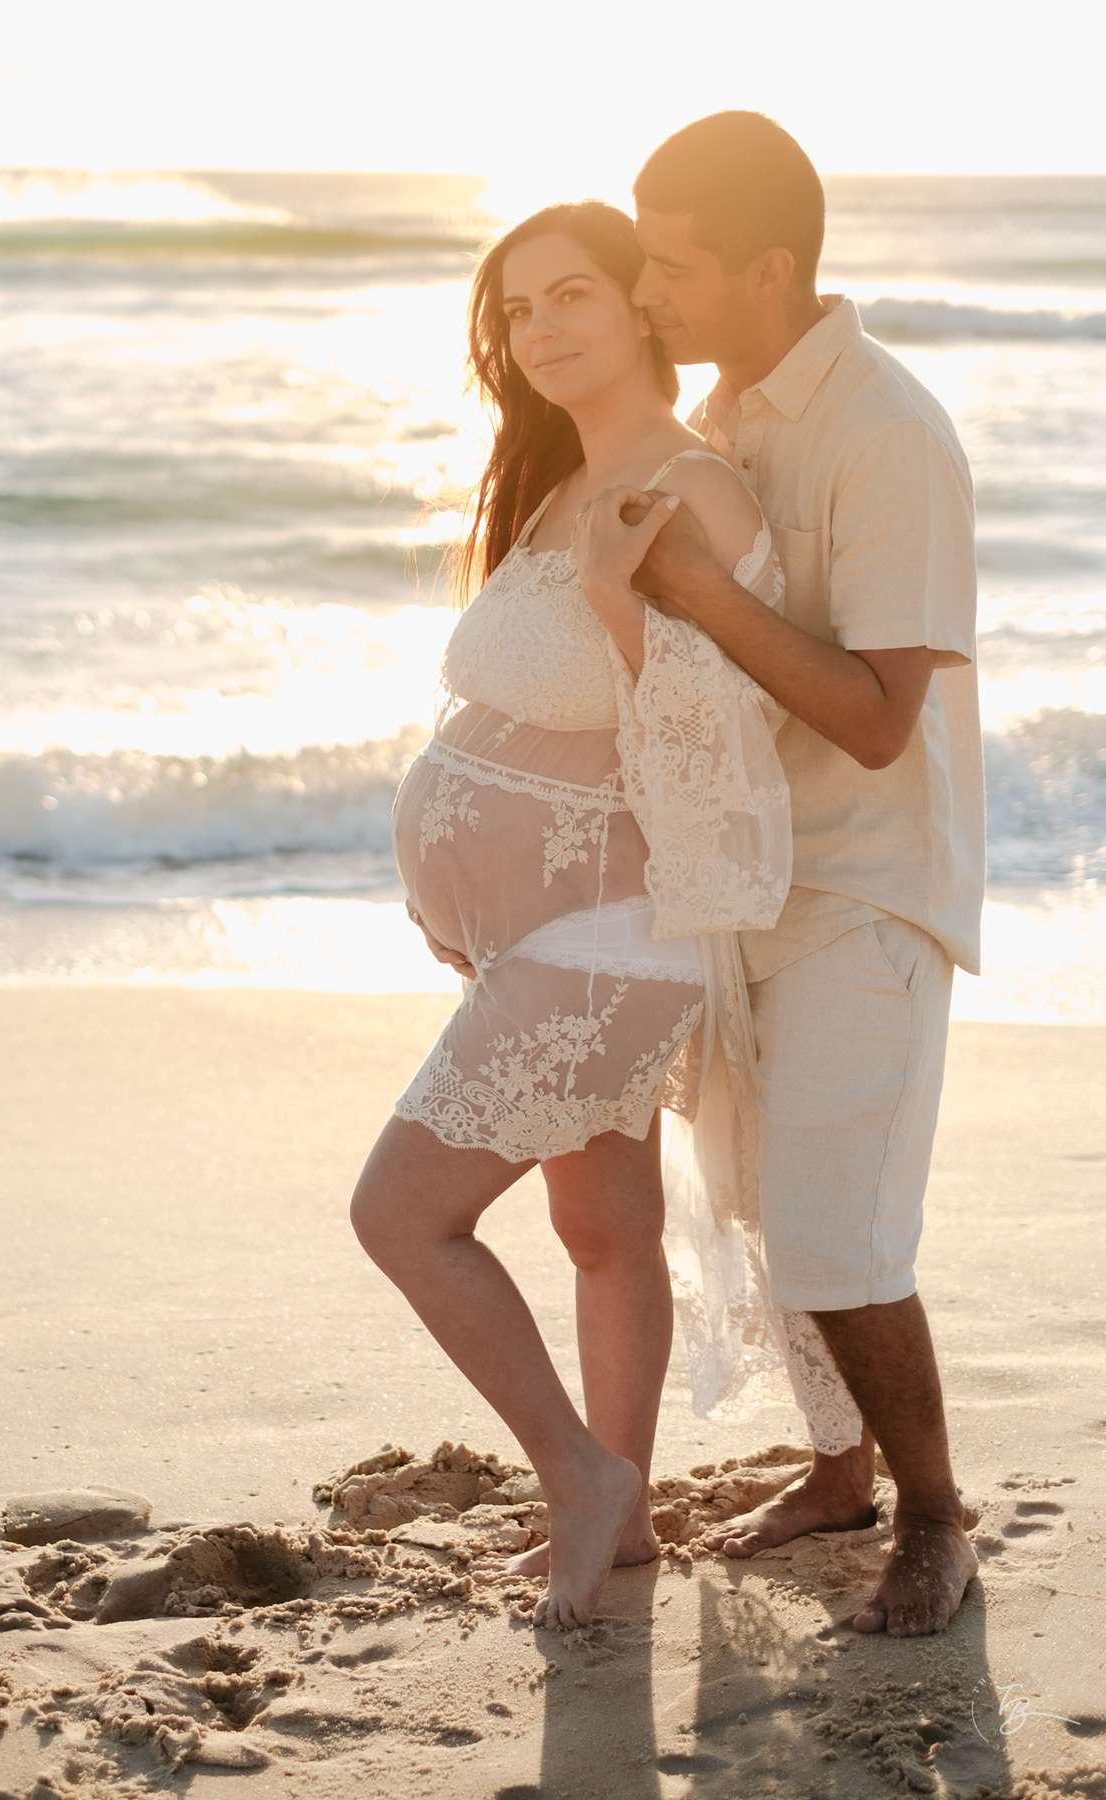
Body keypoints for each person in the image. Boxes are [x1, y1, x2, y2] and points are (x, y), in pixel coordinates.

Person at [351, 199, 828, 1630]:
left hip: (615, 948)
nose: (539, 331)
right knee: (605, 1231)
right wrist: (469, 887)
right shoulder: (559, 475)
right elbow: (512, 724)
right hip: (545, 944)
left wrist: (628, 602)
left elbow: (718, 758)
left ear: (638, 308)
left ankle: (578, 1478)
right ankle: (616, 1507)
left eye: (570, 297)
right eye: (514, 312)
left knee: (401, 1216)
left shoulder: (700, 491)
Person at [585, 111, 984, 1638]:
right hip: (752, 877)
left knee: (836, 1226)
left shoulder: (885, 431)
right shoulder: (735, 408)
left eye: (668, 269)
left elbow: (883, 722)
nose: (643, 298)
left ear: (770, 268)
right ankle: (840, 1470)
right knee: (758, 1199)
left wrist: (687, 579)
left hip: (871, 884)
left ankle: (938, 1518)